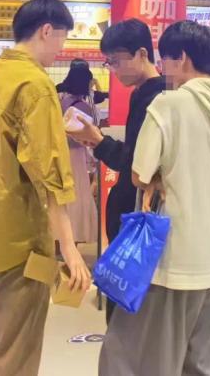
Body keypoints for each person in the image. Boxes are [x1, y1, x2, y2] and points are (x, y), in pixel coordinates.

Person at [98, 21, 210, 376]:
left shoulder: (169, 104)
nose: (163, 67)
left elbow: (139, 173)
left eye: (165, 58)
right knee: (200, 359)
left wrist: (159, 176)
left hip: (172, 254)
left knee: (138, 356)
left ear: (181, 58)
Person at [0, 0, 91, 376]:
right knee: (17, 351)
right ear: (46, 30)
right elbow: (49, 175)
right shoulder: (34, 85)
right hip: (21, 239)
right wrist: (69, 248)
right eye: (62, 37)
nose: (62, 48)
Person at [66, 18, 165, 323]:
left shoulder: (158, 98)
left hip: (139, 214)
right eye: (109, 62)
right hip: (129, 211)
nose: (113, 69)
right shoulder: (142, 93)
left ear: (142, 54)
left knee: (128, 314)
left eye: (117, 61)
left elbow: (139, 165)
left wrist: (98, 141)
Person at [56, 59, 100, 245]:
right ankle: (73, 239)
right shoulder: (83, 106)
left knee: (60, 197)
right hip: (76, 155)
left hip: (59, 153)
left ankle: (58, 240)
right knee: (77, 195)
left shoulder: (59, 98)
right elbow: (90, 135)